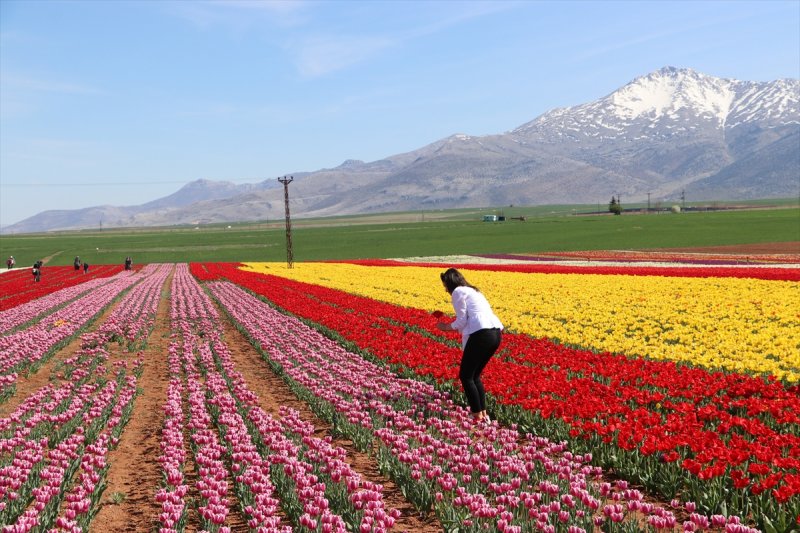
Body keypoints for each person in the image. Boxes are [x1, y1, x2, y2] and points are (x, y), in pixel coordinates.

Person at [436, 268, 503, 426]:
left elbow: (461, 321)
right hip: (495, 333)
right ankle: (483, 415)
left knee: (466, 376)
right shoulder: (473, 291)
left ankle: (477, 417)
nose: (445, 289)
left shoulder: (458, 292)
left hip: (482, 333)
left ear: (449, 282)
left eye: (445, 285)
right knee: (475, 376)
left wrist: (445, 327)